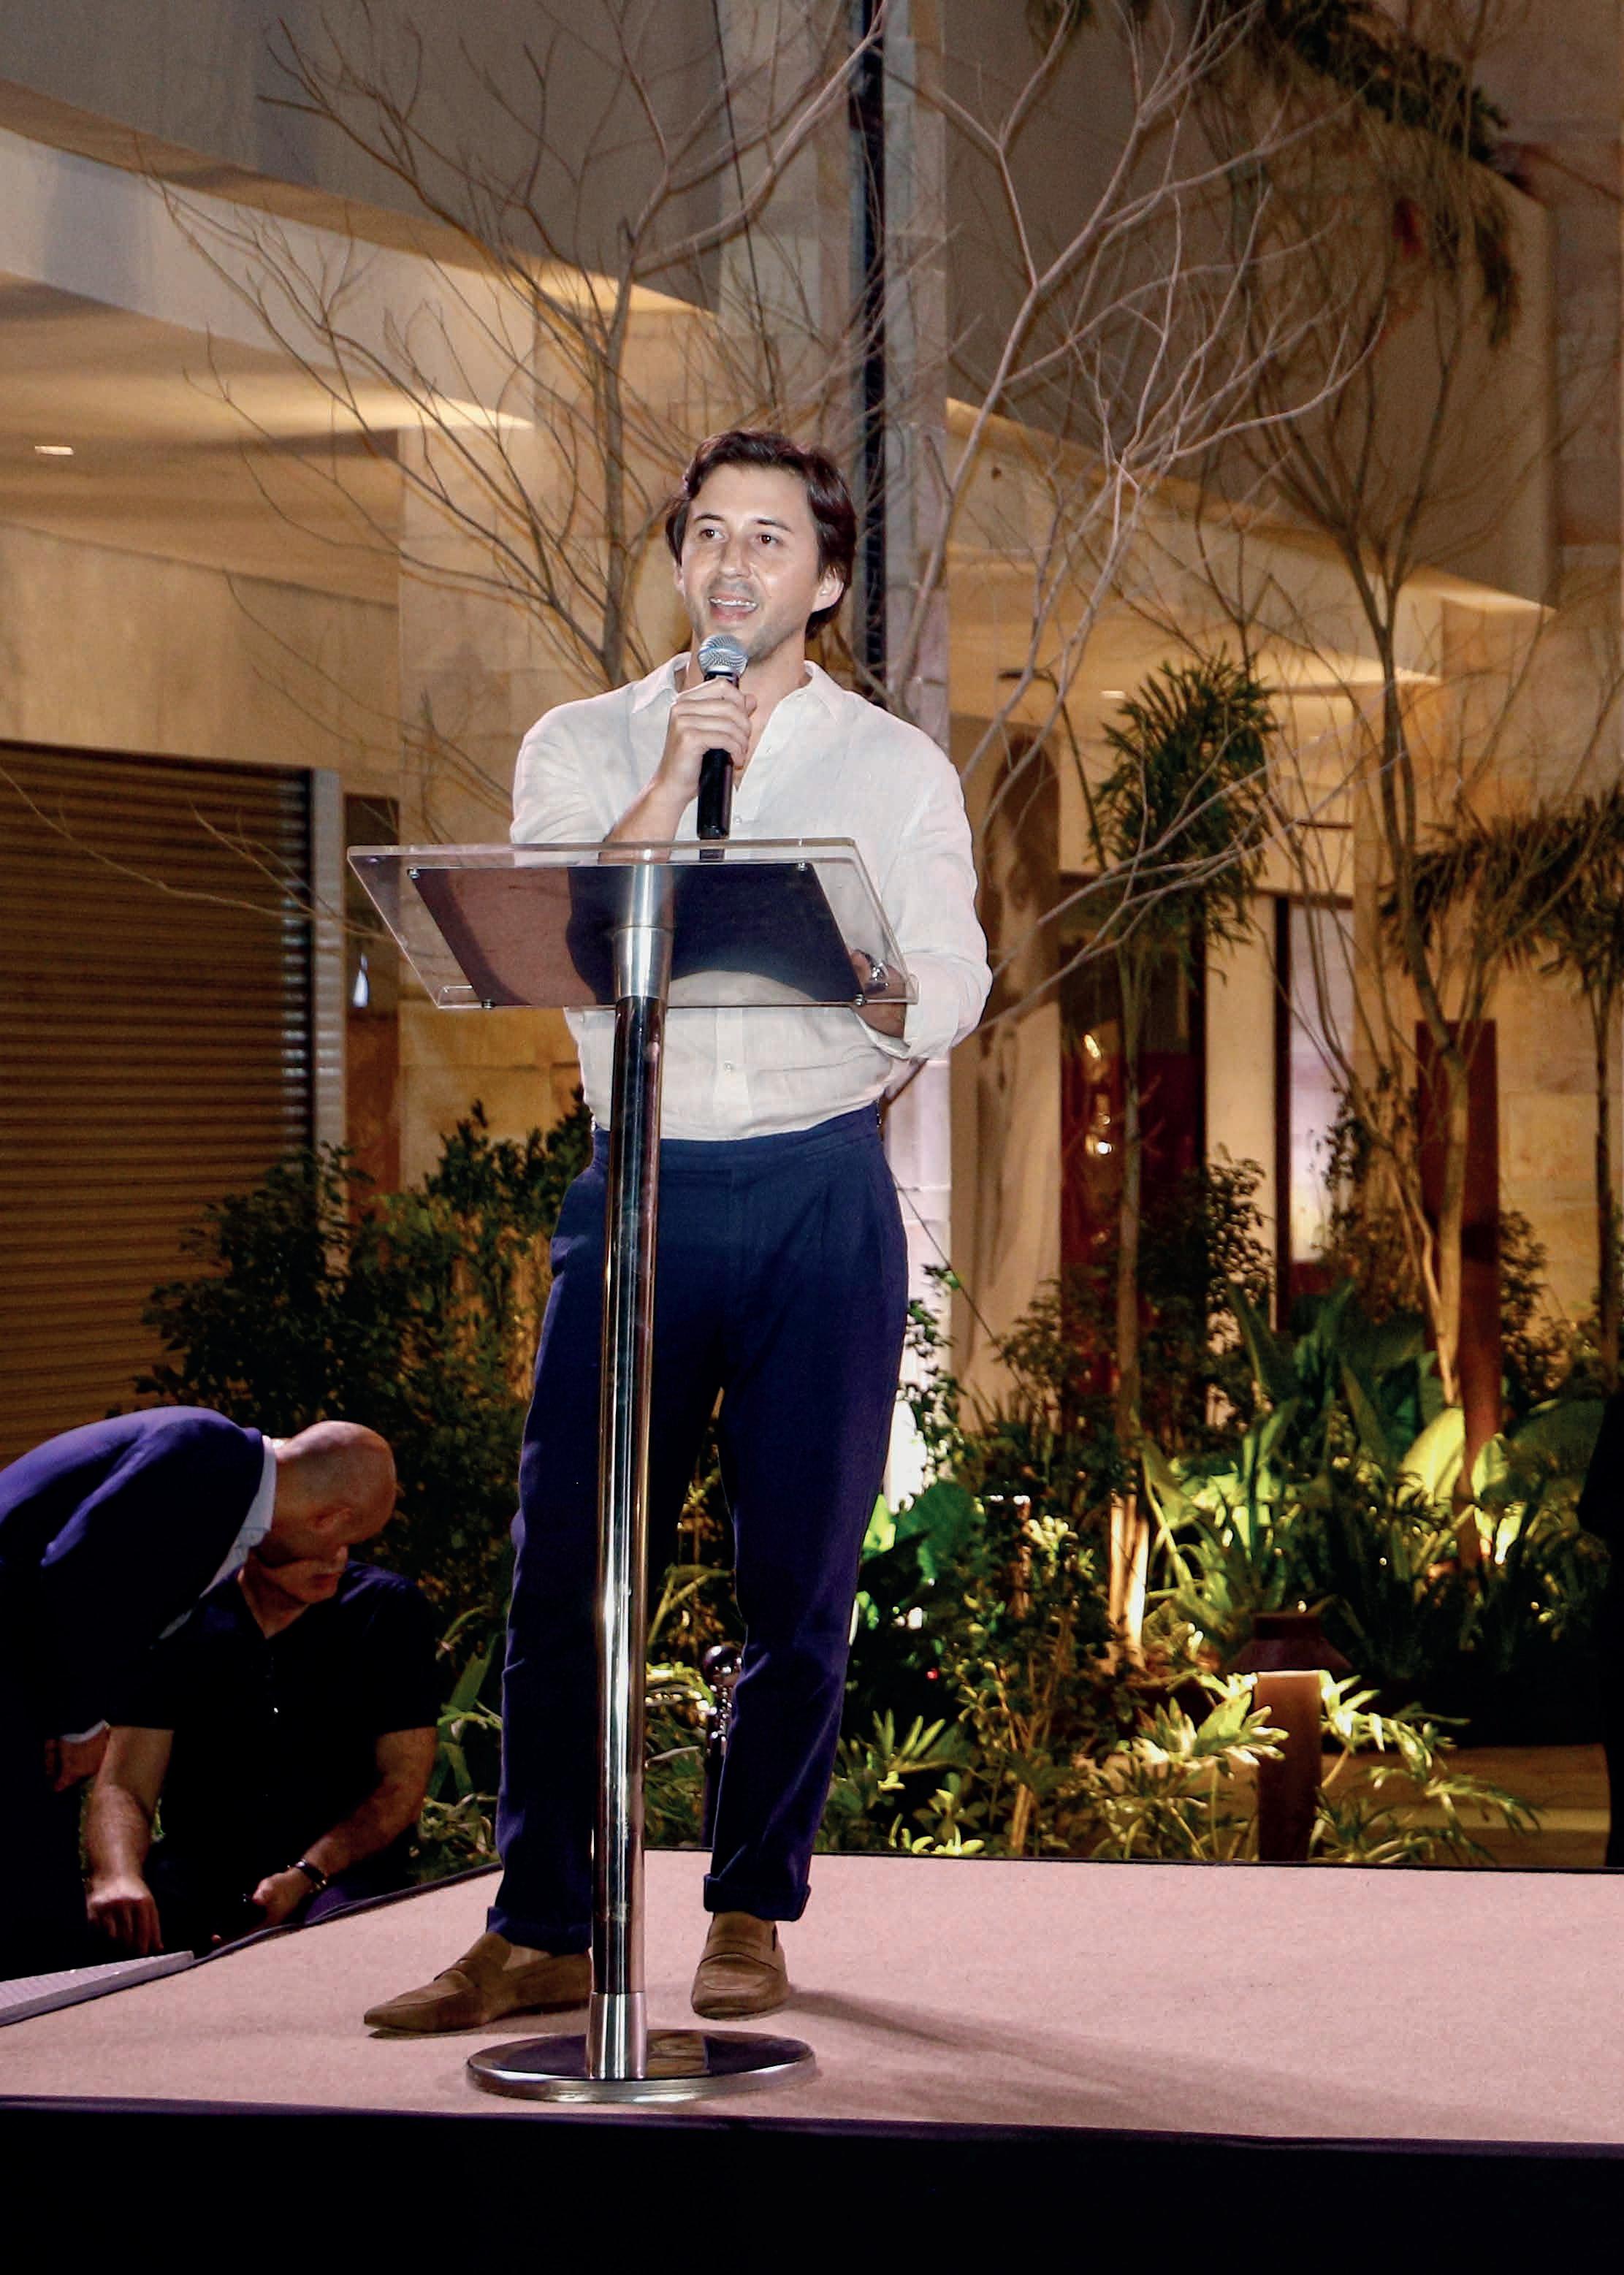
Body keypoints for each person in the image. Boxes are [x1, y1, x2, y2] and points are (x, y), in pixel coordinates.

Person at [365, 428, 990, 2036]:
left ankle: (747, 1907)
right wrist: (667, 780)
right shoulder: (584, 741)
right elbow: (563, 920)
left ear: (825, 580)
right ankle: (541, 1924)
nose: (731, 562)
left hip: (815, 1187)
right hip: (638, 1183)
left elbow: (953, 976)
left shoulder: (893, 769)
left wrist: (862, 976)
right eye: (708, 531)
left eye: (769, 538)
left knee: (797, 1581)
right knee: (568, 1569)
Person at [0, 1407, 397, 1975]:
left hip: (28, 1667)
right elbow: (73, 1570)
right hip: (19, 1668)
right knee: (32, 1916)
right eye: (344, 1539)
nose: (338, 1557)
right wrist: (79, 1723)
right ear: (329, 1518)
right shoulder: (207, 1456)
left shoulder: (224, 1485)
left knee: (40, 1911)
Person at [85, 1545, 438, 1956]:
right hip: (201, 1869)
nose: (333, 1556)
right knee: (117, 1931)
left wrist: (306, 1875)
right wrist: (118, 1874)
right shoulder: (184, 1615)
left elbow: (400, 1787)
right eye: (312, 1534)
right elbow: (126, 1785)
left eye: (344, 1535)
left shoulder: (386, 1606)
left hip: (340, 1871)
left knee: (334, 1939)